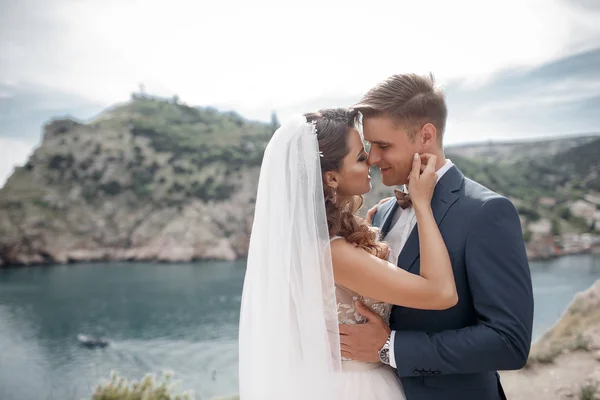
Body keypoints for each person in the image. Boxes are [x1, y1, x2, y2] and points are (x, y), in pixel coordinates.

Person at [238, 108, 458, 400]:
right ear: (331, 178)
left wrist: (366, 231)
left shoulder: (315, 244)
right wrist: (422, 205)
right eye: (360, 157)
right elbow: (441, 293)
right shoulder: (333, 254)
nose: (372, 161)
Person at [340, 73, 534, 400]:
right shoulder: (384, 213)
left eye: (384, 146)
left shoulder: (486, 212)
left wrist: (389, 348)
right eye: (369, 146)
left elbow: (509, 342)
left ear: (426, 136)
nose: (372, 159)